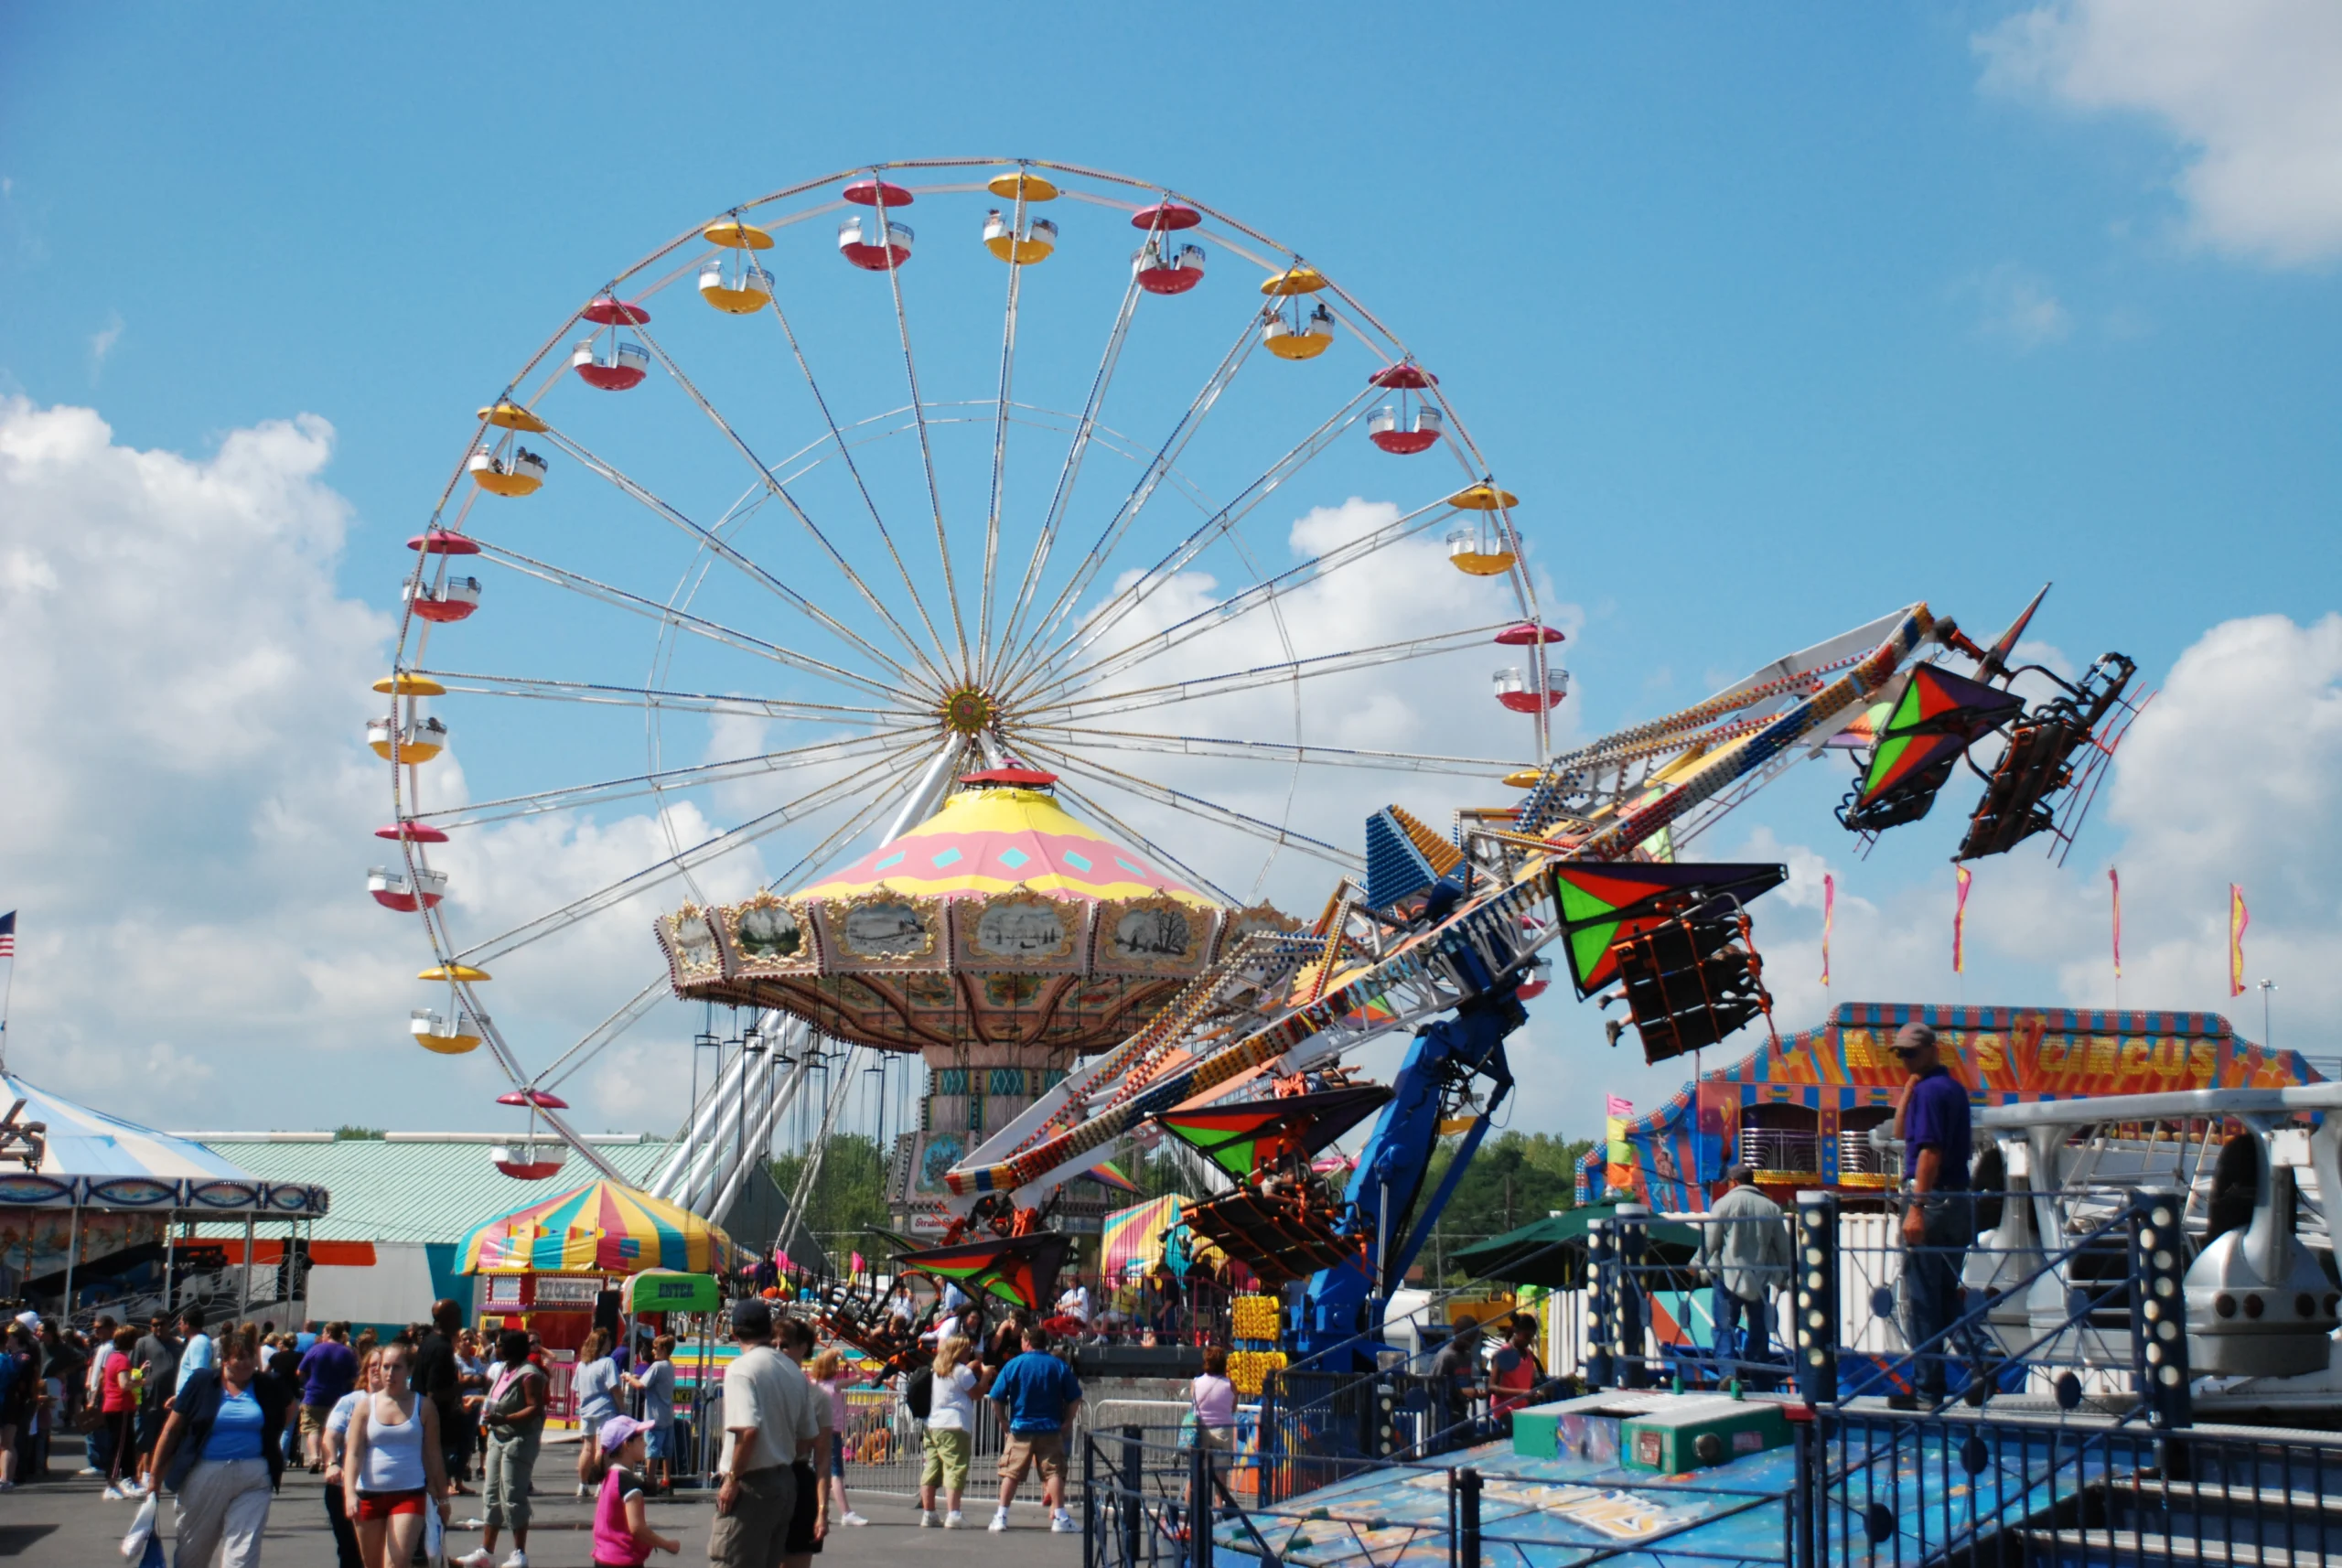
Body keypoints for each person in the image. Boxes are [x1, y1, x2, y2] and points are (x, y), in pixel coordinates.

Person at [151, 1324, 293, 1568]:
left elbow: (291, 1408)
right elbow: (171, 1430)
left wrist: (268, 1434)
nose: (247, 1363)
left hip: (254, 1477)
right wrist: (154, 1478)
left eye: (250, 1356)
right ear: (225, 1359)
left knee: (242, 1556)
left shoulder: (265, 1385)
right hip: (205, 1473)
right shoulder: (202, 1382)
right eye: (240, 1357)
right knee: (192, 1553)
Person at [1894, 1020, 1979, 1408]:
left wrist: (1916, 1208)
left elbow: (1928, 1151)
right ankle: (1983, 1359)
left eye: (1911, 1053)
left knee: (1923, 1299)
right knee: (1945, 1293)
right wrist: (1908, 1090)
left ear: (1931, 1050)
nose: (1905, 1060)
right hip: (1958, 1199)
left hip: (1932, 1201)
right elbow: (1901, 1133)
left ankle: (1928, 1390)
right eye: (1901, 1054)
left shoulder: (1929, 1093)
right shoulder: (1950, 1089)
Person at [704, 1299, 819, 1568]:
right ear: (769, 1330)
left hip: (751, 1482)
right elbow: (808, 1437)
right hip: (784, 1479)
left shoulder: (742, 1369)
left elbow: (748, 1429)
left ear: (734, 1332)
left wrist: (733, 1479)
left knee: (731, 1558)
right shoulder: (791, 1369)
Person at [341, 1338, 452, 1568]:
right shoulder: (365, 1406)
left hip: (408, 1493)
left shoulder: (424, 1406)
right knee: (372, 1564)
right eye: (385, 1366)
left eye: (397, 1367)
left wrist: (442, 1496)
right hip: (368, 1494)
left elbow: (433, 1455)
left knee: (396, 1563)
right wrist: (349, 1493)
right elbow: (353, 1452)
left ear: (409, 1370)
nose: (390, 1373)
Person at [453, 1330, 546, 1568]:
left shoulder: (529, 1374)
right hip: (497, 1437)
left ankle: (519, 1553)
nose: (496, 1348)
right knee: (492, 1495)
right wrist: (479, 1402)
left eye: (500, 1345)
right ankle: (487, 1551)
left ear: (512, 1348)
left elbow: (534, 1408)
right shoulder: (504, 1369)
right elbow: (498, 1401)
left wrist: (504, 1419)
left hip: (518, 1440)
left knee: (513, 1495)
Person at [986, 1324, 1082, 1534]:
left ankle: (1001, 1515)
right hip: (1050, 1427)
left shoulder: (1014, 1364)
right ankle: (1060, 1516)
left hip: (1021, 1427)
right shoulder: (1057, 1365)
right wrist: (1067, 1420)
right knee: (1054, 1472)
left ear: (1027, 1341)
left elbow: (996, 1396)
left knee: (1011, 1472)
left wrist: (1002, 1420)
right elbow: (1075, 1397)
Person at [1701, 1165, 1791, 1364]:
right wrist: (1785, 1275)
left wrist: (1697, 1264)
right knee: (1759, 1327)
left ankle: (1728, 1372)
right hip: (1760, 1278)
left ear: (1734, 1182)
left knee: (1724, 1326)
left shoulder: (1723, 1204)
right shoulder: (1771, 1207)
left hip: (1728, 1275)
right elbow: (1783, 1247)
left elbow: (1710, 1242)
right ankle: (1757, 1370)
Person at [774, 1319, 834, 1565]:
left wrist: (822, 1511)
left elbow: (823, 1459)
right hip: (763, 1475)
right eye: (773, 1344)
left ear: (803, 1348)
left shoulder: (818, 1396)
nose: (777, 1351)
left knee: (796, 1559)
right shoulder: (761, 1385)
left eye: (785, 1345)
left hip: (798, 1479)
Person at [590, 1414, 681, 1566]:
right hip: (623, 1561)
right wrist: (666, 1544)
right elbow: (637, 1528)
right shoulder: (628, 1483)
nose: (645, 1444)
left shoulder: (609, 1475)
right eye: (640, 1439)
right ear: (627, 1444)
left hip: (603, 1557)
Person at [320, 1346, 382, 1568]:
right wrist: (331, 1463)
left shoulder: (404, 1402)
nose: (377, 1370)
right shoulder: (352, 1401)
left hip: (386, 1488)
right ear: (365, 1371)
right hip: (347, 1486)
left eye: (382, 1365)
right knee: (351, 1552)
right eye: (372, 1365)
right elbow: (330, 1436)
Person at [918, 1334, 978, 1529]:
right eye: (967, 1349)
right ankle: (953, 1513)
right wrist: (984, 1374)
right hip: (954, 1423)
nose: (970, 1352)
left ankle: (929, 1513)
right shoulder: (962, 1371)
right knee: (955, 1467)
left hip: (933, 1422)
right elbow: (976, 1393)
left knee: (932, 1467)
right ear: (959, 1351)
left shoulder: (937, 1369)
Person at [803, 1348, 867, 1528]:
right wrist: (846, 1358)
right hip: (832, 1431)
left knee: (820, 1471)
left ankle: (818, 1510)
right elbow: (860, 1375)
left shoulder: (813, 1384)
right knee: (835, 1473)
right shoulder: (835, 1385)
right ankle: (846, 1512)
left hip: (816, 1430)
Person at [410, 1300, 468, 1495]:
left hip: (423, 1418)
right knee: (434, 1484)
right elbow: (434, 1393)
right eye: (458, 1314)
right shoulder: (441, 1348)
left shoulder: (430, 1342)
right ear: (449, 1318)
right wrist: (466, 1385)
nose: (461, 1319)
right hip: (436, 1424)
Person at [299, 1323, 360, 1472]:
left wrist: (307, 1382)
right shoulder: (347, 1352)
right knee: (333, 1428)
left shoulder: (316, 1349)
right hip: (337, 1396)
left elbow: (300, 1371)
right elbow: (354, 1377)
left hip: (314, 1394)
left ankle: (315, 1456)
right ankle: (333, 1459)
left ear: (328, 1333)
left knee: (313, 1427)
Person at [622, 1335, 678, 1495]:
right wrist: (637, 1377)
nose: (653, 1351)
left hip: (654, 1416)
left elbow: (640, 1385)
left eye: (655, 1348)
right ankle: (667, 1479)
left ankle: (651, 1480)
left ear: (663, 1349)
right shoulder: (669, 1365)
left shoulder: (657, 1367)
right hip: (667, 1414)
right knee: (667, 1450)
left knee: (652, 1450)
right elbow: (649, 1380)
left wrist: (628, 1377)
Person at [133, 1311, 180, 1492]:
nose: (158, 1328)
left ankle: (154, 1474)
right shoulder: (143, 1343)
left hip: (168, 1401)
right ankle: (139, 1474)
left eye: (161, 1324)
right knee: (144, 1440)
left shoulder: (177, 1346)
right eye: (154, 1325)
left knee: (163, 1439)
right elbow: (134, 1371)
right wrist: (136, 1398)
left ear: (169, 1324)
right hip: (147, 1400)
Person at [572, 1327, 620, 1498]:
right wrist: (622, 1409)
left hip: (586, 1409)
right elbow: (614, 1388)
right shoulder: (608, 1362)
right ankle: (601, 1484)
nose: (610, 1344)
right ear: (602, 1343)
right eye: (608, 1341)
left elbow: (576, 1389)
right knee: (602, 1448)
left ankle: (583, 1484)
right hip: (604, 1408)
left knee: (587, 1448)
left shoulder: (582, 1364)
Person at [100, 1324, 139, 1499]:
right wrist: (141, 1382)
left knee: (125, 1445)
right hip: (119, 1406)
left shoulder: (113, 1358)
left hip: (115, 1406)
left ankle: (128, 1479)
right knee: (119, 1447)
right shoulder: (122, 1360)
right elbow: (124, 1385)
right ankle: (111, 1483)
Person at [1429, 1316, 1483, 1434]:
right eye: (1467, 1340)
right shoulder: (1446, 1357)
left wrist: (1475, 1392)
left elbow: (1466, 1381)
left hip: (1461, 1412)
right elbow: (1434, 1387)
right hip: (1444, 1415)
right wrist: (1460, 1391)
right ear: (1457, 1333)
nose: (1470, 1344)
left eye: (1473, 1341)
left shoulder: (1467, 1356)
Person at [1188, 1346, 1236, 1468]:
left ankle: (1192, 1488)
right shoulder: (1230, 1384)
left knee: (1196, 1474)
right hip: (1222, 1431)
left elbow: (1194, 1403)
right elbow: (1233, 1409)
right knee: (1220, 1476)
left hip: (1200, 1430)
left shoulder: (1195, 1383)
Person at [1489, 1315, 1545, 1417]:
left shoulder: (1529, 1355)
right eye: (1526, 1336)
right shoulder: (1505, 1353)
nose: (1529, 1341)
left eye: (1531, 1338)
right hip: (1504, 1409)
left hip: (1523, 1408)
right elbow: (1492, 1387)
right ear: (1516, 1331)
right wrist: (1522, 1392)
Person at [175, 1307, 215, 1396]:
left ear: (187, 1325)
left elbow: (199, 1375)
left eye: (181, 1323)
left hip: (191, 1402)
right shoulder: (196, 1341)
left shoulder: (199, 1342)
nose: (179, 1327)